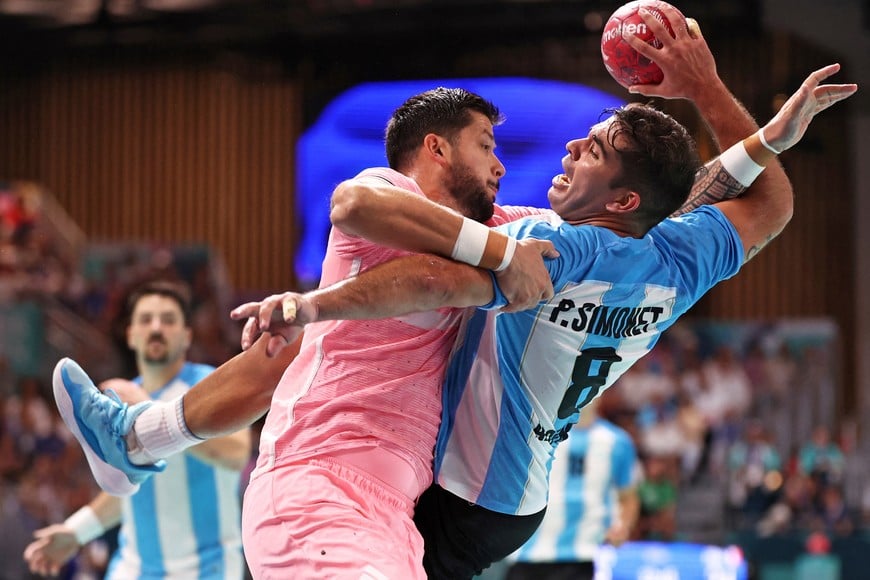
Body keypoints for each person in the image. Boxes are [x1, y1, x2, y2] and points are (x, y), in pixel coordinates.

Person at [50, 11, 857, 580]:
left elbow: (434, 278)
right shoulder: (677, 254)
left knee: (319, 340)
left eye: (598, 147)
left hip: (460, 489)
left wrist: (313, 302)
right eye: (489, 144)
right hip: (515, 496)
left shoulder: (561, 243)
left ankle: (140, 439)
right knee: (306, 353)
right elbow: (762, 205)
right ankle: (139, 439)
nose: (572, 141)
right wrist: (731, 105)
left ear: (617, 201)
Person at [25, 280, 252, 579]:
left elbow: (237, 454)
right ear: (131, 335)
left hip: (209, 567)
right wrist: (77, 532)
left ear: (186, 337)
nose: (156, 327)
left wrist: (151, 414)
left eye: (168, 320)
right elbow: (125, 488)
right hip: (134, 568)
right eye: (146, 320)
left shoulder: (208, 384)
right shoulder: (117, 402)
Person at [504, 397, 640, 580]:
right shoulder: (536, 433)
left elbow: (629, 496)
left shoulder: (618, 442)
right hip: (528, 553)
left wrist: (622, 527)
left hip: (586, 554)